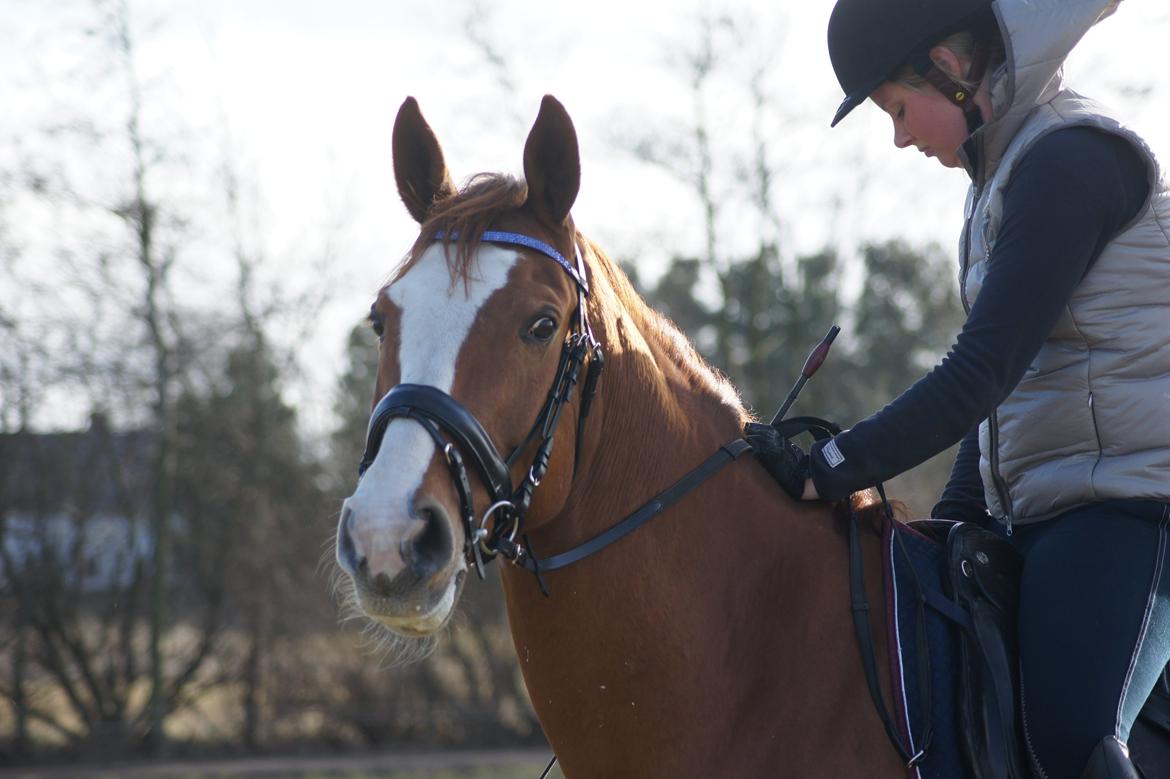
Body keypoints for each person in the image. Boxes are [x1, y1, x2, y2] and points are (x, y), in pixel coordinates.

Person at [750, 0, 1170, 776]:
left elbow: (979, 373)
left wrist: (830, 466)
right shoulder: (998, 181)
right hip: (1049, 506)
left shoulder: (1070, 161)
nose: (899, 136)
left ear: (949, 68)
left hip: (1137, 506)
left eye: (897, 109)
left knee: (1068, 740)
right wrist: (950, 523)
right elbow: (1011, 401)